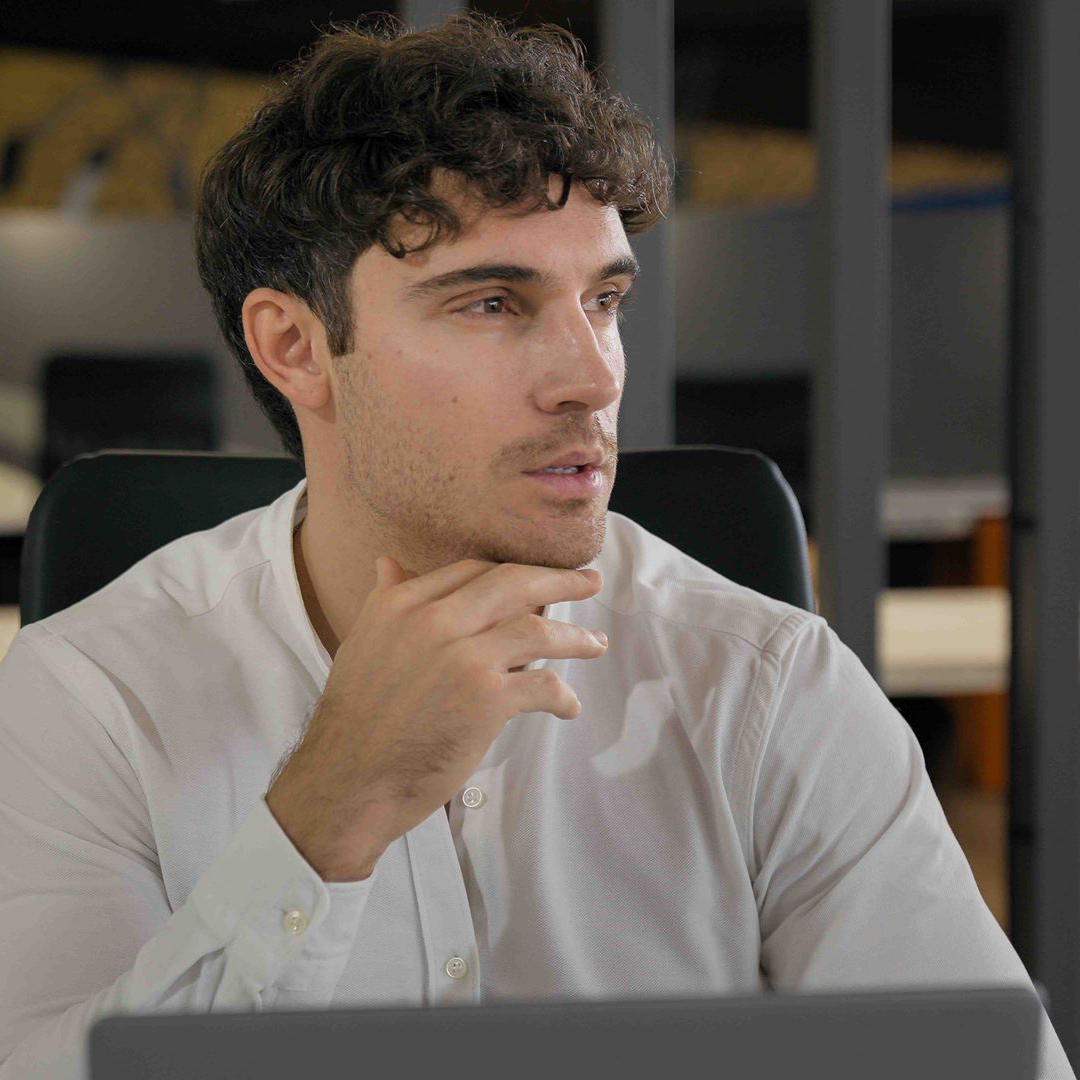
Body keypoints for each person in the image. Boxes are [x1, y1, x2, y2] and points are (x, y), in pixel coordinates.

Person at [0, 11, 1072, 1079]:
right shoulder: (89, 696)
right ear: (296, 347)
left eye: (603, 299)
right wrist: (327, 814)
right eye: (493, 302)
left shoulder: (766, 685)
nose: (594, 377)